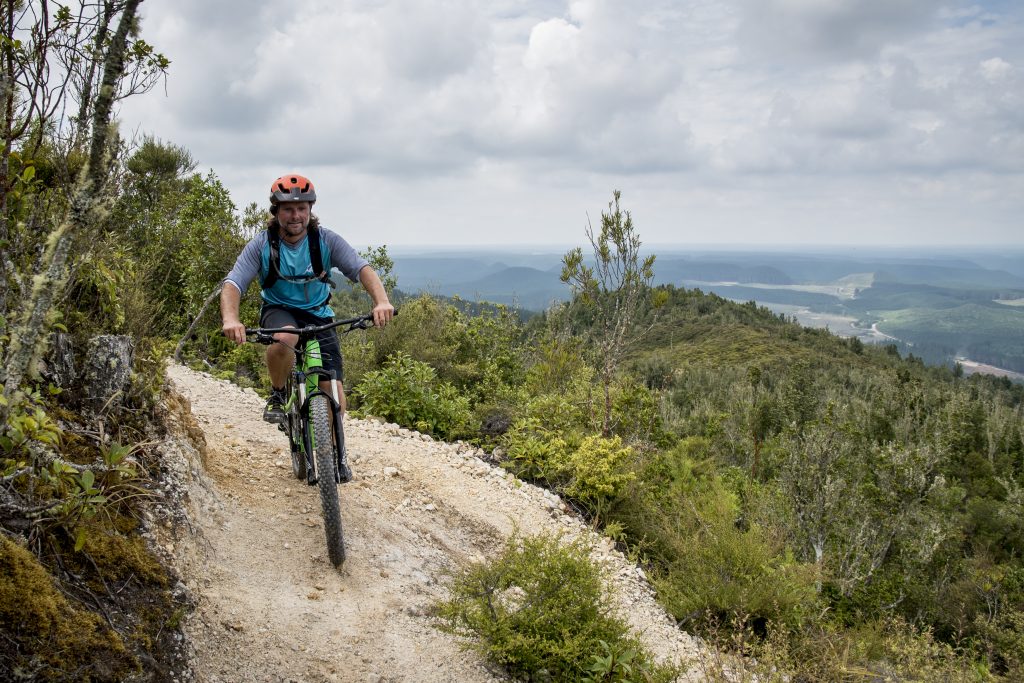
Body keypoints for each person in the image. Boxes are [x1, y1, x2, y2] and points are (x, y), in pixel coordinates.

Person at [220, 173, 394, 426]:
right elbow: (234, 283)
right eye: (288, 209)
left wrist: (381, 301)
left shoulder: (326, 240)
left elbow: (361, 269)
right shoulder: (261, 244)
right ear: (276, 211)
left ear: (310, 209)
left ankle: (335, 459)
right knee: (286, 337)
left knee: (333, 389)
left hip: (318, 313)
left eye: (301, 208)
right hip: (278, 309)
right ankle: (278, 394)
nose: (296, 216)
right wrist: (230, 319)